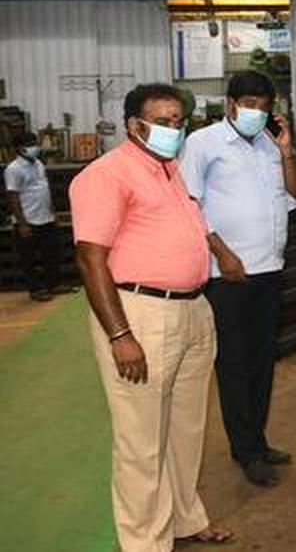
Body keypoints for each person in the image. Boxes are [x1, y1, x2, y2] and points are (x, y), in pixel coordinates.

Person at [70, 83, 232, 551]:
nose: (173, 130)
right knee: (141, 439)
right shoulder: (106, 175)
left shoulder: (168, 169)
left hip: (192, 309)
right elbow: (90, 260)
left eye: (178, 121)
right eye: (162, 122)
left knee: (185, 429)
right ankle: (144, 542)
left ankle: (184, 518)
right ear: (134, 126)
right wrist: (120, 334)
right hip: (140, 314)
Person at [180, 70, 296, 488]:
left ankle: (257, 440)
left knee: (263, 360)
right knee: (234, 363)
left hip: (270, 269)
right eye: (250, 104)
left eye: (264, 106)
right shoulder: (203, 144)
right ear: (231, 104)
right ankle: (246, 450)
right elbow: (190, 206)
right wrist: (223, 254)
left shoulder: (269, 144)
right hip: (228, 275)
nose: (257, 112)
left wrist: (287, 152)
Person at [5, 131, 65, 301]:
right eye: (29, 145)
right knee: (29, 258)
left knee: (51, 253)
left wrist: (53, 213)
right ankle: (36, 289)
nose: (34, 147)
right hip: (28, 219)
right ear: (19, 148)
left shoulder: (38, 163)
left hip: (46, 217)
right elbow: (12, 196)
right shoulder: (13, 169)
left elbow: (45, 189)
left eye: (34, 143)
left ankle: (54, 284)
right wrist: (22, 223)